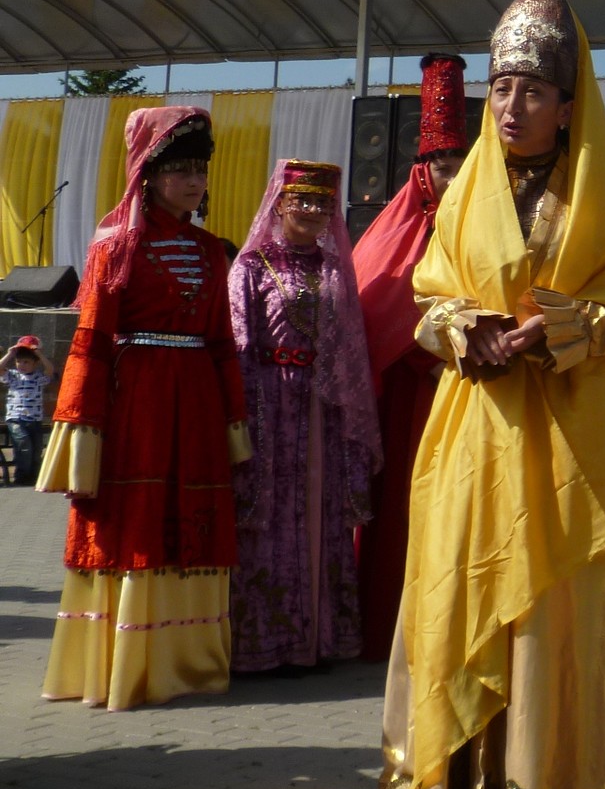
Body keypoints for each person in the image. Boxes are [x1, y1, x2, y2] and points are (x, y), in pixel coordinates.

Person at [375, 0, 605, 789]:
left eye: (532, 91)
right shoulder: (466, 188)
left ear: (567, 105)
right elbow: (428, 298)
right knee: (462, 586)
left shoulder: (603, 198)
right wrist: (468, 331)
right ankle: (451, 787)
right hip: (475, 431)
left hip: (564, 432)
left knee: (554, 604)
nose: (511, 105)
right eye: (501, 88)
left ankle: (554, 785)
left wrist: (559, 328)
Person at [36, 106, 251, 710]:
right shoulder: (117, 247)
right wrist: (81, 427)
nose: (192, 182)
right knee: (134, 516)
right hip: (138, 402)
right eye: (178, 169)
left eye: (200, 171)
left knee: (194, 517)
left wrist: (233, 418)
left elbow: (222, 342)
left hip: (199, 403)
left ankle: (187, 663)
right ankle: (123, 664)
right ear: (148, 175)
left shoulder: (213, 251)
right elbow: (92, 341)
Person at [228, 161, 382, 672]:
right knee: (269, 515)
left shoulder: (336, 269)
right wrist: (246, 412)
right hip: (270, 401)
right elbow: (239, 340)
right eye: (304, 201)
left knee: (322, 511)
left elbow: (351, 345)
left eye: (323, 202)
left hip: (322, 409)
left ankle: (319, 639)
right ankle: (265, 642)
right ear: (280, 203)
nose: (314, 211)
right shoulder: (251, 267)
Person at [351, 52, 472, 660]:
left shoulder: (481, 229)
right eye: (441, 167)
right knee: (404, 502)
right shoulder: (395, 232)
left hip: (466, 389)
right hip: (408, 400)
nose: (451, 178)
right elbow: (375, 310)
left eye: (460, 167)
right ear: (422, 172)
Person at [3, 336, 52, 486]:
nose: (21, 365)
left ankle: (34, 476)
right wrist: (9, 354)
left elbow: (50, 370)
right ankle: (22, 477)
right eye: (19, 361)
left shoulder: (38, 377)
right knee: (23, 445)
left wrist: (39, 354)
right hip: (16, 418)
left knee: (36, 450)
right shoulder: (13, 375)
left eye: (26, 362)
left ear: (35, 363)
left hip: (35, 419)